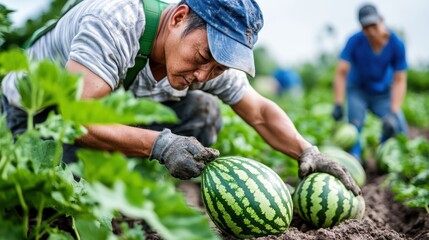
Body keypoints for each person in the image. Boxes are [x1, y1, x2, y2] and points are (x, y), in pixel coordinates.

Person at [1, 0, 360, 195]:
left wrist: (307, 151)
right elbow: (74, 119)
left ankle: (118, 168)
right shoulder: (115, 21)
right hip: (38, 113)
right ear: (179, 17)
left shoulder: (207, 62)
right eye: (202, 58)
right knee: (58, 207)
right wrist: (159, 145)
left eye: (218, 68)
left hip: (103, 108)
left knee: (203, 110)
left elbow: (261, 112)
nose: (203, 75)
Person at [332, 3, 408, 163]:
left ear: (381, 20)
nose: (371, 31)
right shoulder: (354, 41)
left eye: (373, 25)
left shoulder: (396, 44)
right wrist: (338, 103)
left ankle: (386, 157)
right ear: (361, 27)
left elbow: (400, 80)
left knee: (398, 127)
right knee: (354, 126)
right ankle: (354, 158)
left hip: (382, 93)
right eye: (366, 27)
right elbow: (341, 72)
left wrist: (393, 112)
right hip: (357, 90)